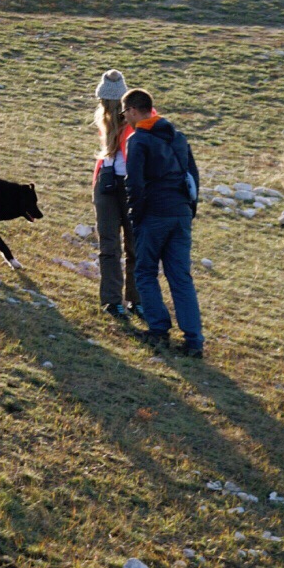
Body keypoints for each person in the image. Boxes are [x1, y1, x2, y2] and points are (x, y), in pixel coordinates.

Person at [122, 88, 204, 358]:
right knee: (181, 277)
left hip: (155, 214)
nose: (125, 117)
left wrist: (136, 215)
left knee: (145, 271)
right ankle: (194, 340)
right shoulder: (178, 137)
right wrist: (189, 208)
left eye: (125, 112)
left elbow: (134, 183)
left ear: (134, 110)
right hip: (180, 213)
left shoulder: (139, 140)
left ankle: (158, 329)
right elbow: (193, 174)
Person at [90, 70, 142, 319]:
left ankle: (135, 299)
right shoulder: (104, 119)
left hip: (131, 187)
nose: (108, 107)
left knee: (133, 246)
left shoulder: (136, 121)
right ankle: (113, 301)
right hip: (107, 185)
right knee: (110, 245)